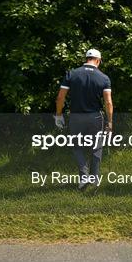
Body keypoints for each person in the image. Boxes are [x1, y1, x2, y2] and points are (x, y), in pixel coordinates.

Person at [54, 49, 113, 190]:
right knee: (96, 147)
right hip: (95, 117)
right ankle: (95, 178)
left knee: (77, 147)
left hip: (76, 116)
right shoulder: (104, 77)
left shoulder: (72, 74)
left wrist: (58, 114)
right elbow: (108, 102)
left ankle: (84, 176)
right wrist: (110, 121)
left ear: (87, 58)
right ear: (98, 60)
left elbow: (61, 97)